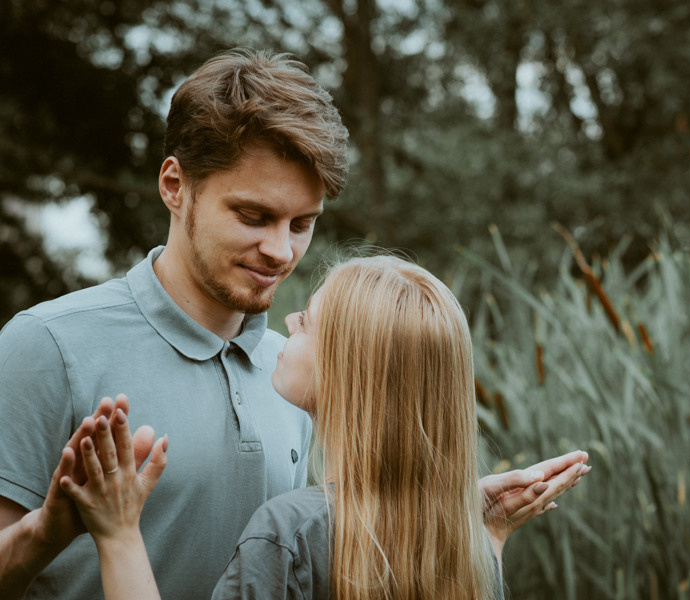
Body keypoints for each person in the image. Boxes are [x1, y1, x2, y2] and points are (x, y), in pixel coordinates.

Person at [0, 49, 589, 600]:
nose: (281, 251)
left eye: (302, 224)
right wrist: (48, 530)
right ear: (175, 186)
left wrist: (438, 514)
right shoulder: (46, 345)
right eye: (253, 216)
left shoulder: (299, 370)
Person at [60, 255, 587, 600]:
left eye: (308, 321)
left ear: (346, 368)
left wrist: (119, 532)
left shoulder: (291, 532)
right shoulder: (461, 550)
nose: (288, 322)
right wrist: (483, 532)